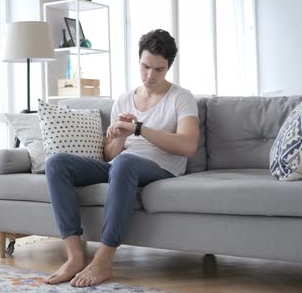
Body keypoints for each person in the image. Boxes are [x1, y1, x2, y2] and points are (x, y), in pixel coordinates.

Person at [44, 29, 200, 287]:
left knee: (126, 163)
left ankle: (104, 260)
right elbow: (110, 156)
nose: (150, 76)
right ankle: (74, 256)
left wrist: (139, 129)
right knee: (57, 163)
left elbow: (188, 145)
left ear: (169, 66)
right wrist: (119, 137)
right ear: (138, 60)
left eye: (159, 70)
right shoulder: (125, 99)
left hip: (161, 170)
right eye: (145, 67)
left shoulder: (181, 98)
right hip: (121, 166)